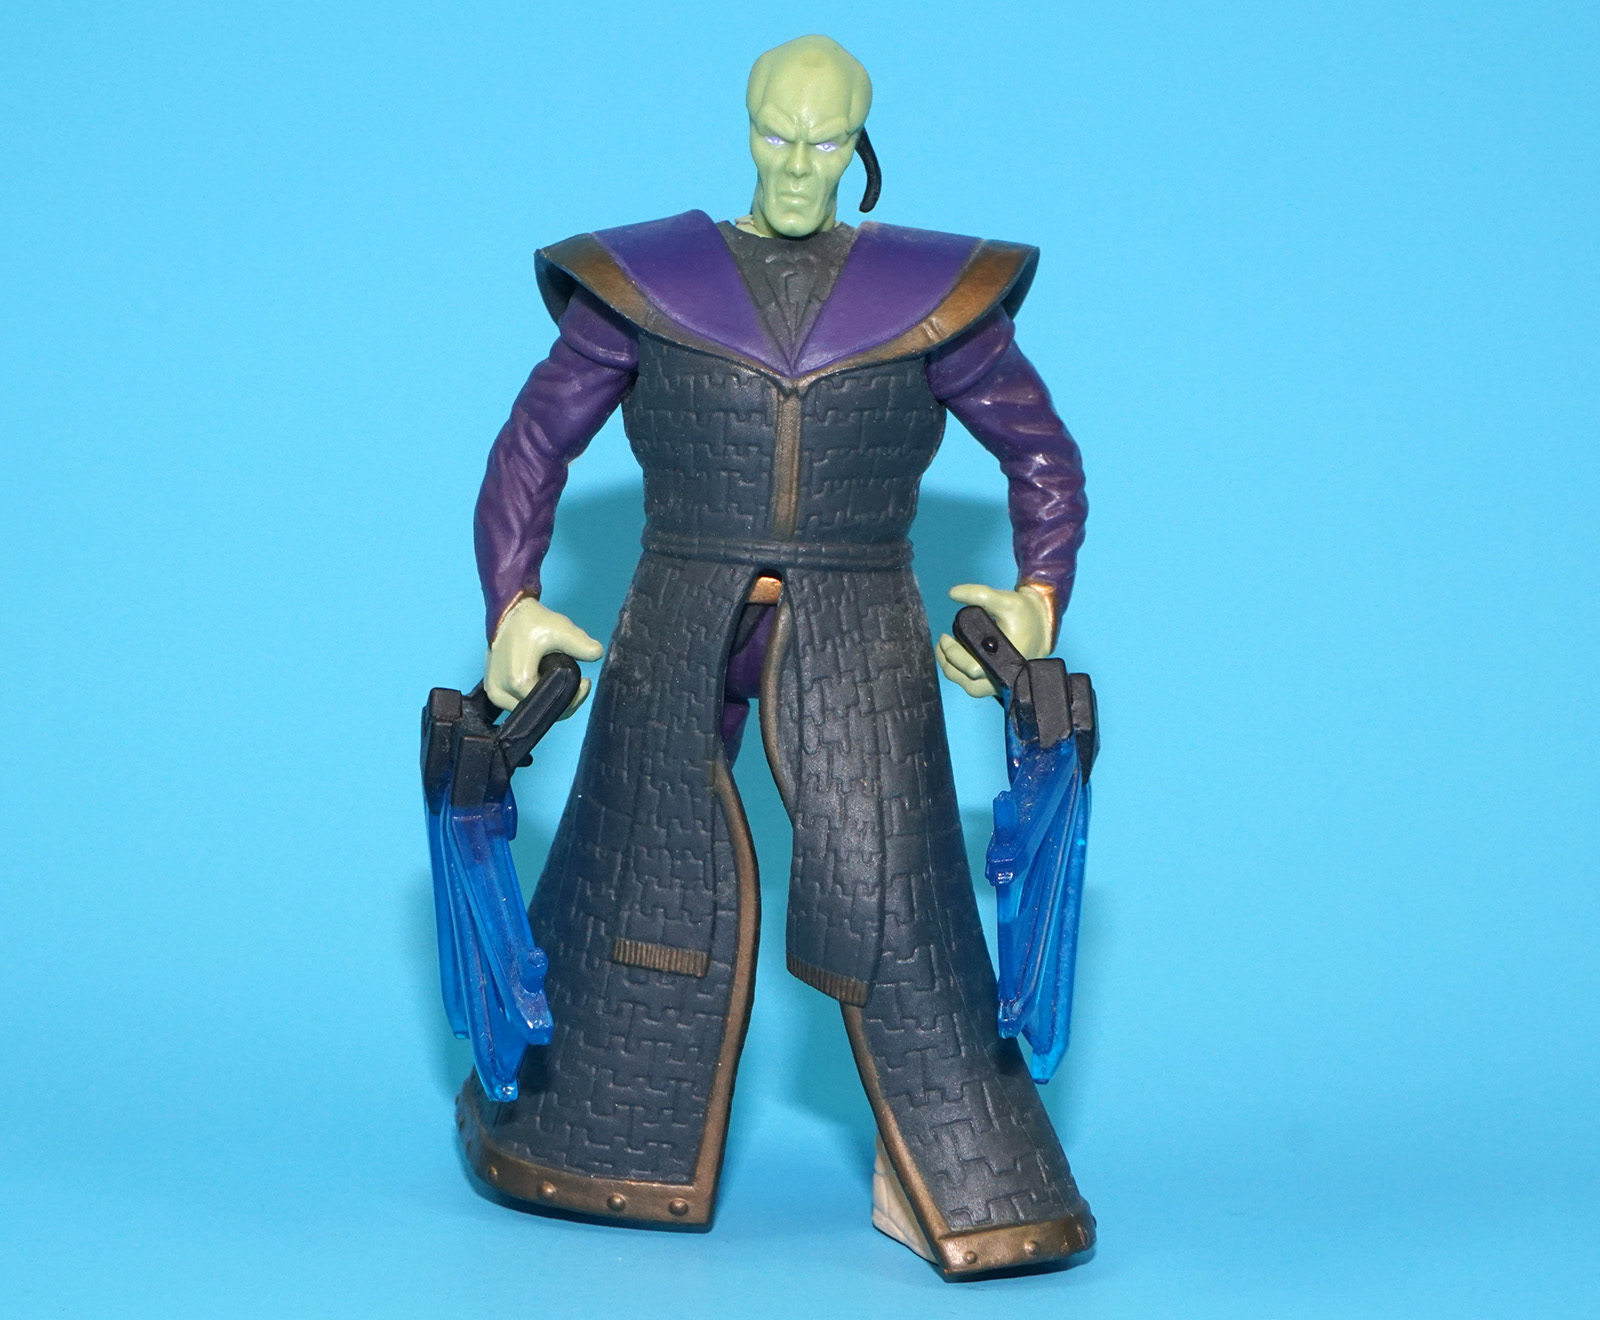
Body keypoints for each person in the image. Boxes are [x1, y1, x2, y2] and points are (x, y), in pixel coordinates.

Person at [461, 34, 1092, 1277]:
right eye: (775, 136)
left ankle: (957, 1177)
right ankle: (588, 1140)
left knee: (897, 889)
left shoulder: (930, 294)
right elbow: (532, 443)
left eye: (824, 142)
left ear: (858, 145)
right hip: (680, 604)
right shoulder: (647, 283)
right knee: (640, 869)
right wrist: (512, 601)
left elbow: (1043, 457)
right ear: (746, 129)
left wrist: (1037, 600)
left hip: (858, 617)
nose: (797, 167)